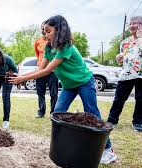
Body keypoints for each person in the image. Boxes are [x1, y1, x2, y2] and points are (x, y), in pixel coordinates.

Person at [9, 15, 117, 164]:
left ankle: (108, 150)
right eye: (44, 32)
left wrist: (22, 79)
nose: (45, 35)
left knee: (92, 113)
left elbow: (47, 71)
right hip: (69, 87)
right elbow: (40, 68)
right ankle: (61, 146)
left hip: (85, 82)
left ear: (59, 30)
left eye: (48, 31)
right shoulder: (48, 48)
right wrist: (20, 76)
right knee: (57, 113)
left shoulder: (66, 47)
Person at [107, 16, 142, 131]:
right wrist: (119, 58)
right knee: (119, 98)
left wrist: (140, 36)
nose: (131, 26)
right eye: (130, 24)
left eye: (135, 23)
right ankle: (112, 120)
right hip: (126, 74)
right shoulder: (125, 42)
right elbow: (121, 59)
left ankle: (138, 121)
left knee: (140, 99)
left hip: (141, 75)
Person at [34, 23, 58, 118]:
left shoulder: (54, 41)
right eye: (44, 28)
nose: (45, 31)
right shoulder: (37, 42)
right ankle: (41, 111)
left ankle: (53, 112)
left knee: (53, 93)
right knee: (40, 92)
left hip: (53, 71)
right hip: (40, 70)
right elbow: (38, 55)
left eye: (48, 29)